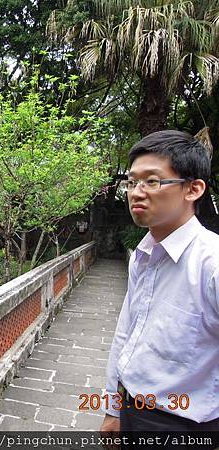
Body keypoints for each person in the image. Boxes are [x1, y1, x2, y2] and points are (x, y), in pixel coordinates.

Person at [100, 131, 219, 446]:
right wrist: (113, 407)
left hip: (185, 426)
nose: (136, 193)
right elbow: (126, 332)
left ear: (193, 189)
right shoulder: (143, 254)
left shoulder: (211, 263)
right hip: (131, 409)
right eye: (131, 182)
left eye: (152, 181)